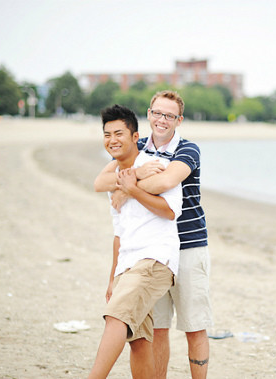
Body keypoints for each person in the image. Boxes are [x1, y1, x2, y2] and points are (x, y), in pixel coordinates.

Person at [94, 90, 212, 379]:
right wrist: (133, 175)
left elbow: (168, 179)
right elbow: (100, 181)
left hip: (189, 245)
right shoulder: (138, 146)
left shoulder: (187, 150)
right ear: (148, 114)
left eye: (169, 115)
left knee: (193, 327)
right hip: (150, 250)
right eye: (157, 113)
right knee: (156, 329)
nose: (162, 120)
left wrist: (129, 183)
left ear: (179, 120)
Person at [88, 104, 183, 379]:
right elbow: (120, 234)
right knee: (139, 342)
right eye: (107, 135)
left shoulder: (156, 167)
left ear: (135, 137)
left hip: (154, 259)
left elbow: (169, 211)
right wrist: (112, 277)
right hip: (127, 265)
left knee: (116, 316)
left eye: (119, 133)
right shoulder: (113, 180)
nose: (112, 140)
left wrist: (132, 188)